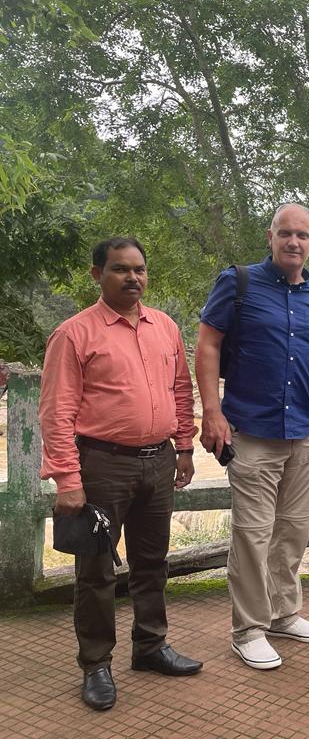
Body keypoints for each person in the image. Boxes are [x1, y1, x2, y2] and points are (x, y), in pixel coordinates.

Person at [40, 237, 202, 711]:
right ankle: (95, 664)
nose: (133, 278)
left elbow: (179, 390)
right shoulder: (74, 334)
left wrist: (186, 447)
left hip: (159, 459)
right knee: (96, 570)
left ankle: (151, 647)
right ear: (97, 275)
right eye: (120, 269)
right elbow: (57, 412)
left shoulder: (165, 327)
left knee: (153, 562)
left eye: (140, 269)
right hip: (102, 464)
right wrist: (67, 480)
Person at [196, 203, 309, 670]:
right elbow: (208, 344)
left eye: (302, 235)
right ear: (270, 236)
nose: (293, 242)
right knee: (252, 535)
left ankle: (284, 613)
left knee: (292, 532)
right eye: (285, 233)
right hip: (252, 432)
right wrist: (212, 412)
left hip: (303, 432)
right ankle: (249, 629)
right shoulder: (237, 283)